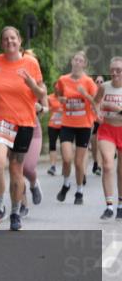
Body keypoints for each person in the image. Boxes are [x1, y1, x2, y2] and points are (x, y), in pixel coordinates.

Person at [0, 26, 46, 230]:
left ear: (20, 40)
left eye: (13, 38)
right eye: (6, 39)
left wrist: (31, 84)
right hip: (1, 121)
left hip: (24, 122)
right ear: (1, 43)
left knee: (17, 170)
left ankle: (16, 213)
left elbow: (42, 91)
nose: (9, 42)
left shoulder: (31, 63)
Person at [54, 51, 98, 205]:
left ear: (84, 64)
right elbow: (57, 93)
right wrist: (61, 99)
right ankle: (66, 184)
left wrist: (85, 94)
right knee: (66, 159)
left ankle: (79, 192)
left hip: (84, 125)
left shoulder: (88, 82)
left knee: (79, 163)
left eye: (81, 61)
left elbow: (96, 103)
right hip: (67, 124)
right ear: (72, 61)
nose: (77, 62)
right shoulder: (63, 79)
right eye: (75, 59)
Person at [19, 51, 48, 218]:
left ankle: (34, 182)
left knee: (28, 168)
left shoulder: (40, 86)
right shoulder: (15, 81)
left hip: (33, 128)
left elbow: (47, 107)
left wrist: (41, 109)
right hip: (13, 127)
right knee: (17, 169)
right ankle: (23, 205)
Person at [94, 58, 122, 220]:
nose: (115, 73)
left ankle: (120, 205)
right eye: (112, 70)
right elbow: (96, 102)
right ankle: (109, 206)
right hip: (107, 130)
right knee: (107, 164)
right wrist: (97, 113)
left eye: (119, 70)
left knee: (121, 171)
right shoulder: (104, 87)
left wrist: (116, 108)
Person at [46, 92, 63, 176]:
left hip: (64, 125)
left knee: (64, 146)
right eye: (56, 87)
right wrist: (51, 108)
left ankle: (65, 165)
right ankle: (53, 166)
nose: (57, 89)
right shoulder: (50, 97)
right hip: (52, 125)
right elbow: (46, 108)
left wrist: (63, 110)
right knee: (52, 145)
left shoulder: (66, 96)